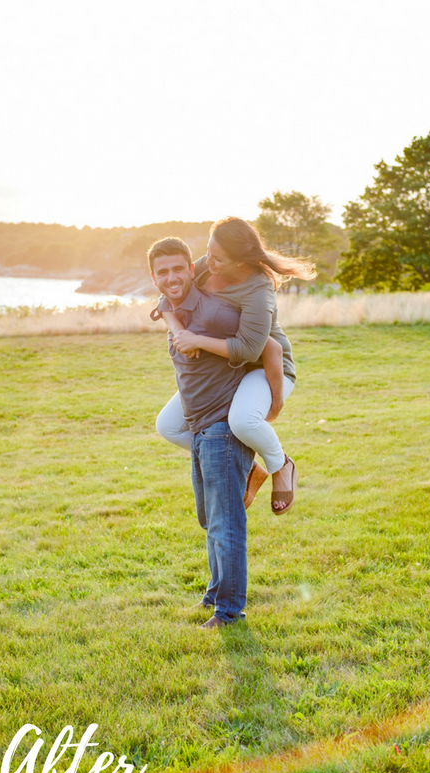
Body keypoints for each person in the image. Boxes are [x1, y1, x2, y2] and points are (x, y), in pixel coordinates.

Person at [153, 217, 315, 515]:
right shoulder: (208, 263)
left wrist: (197, 340)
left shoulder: (257, 290)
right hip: (225, 369)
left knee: (243, 421)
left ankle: (281, 465)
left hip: (260, 368)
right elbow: (169, 295)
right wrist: (178, 331)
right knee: (168, 426)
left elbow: (251, 349)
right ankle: (250, 468)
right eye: (208, 251)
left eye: (217, 257)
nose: (208, 261)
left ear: (240, 262)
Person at [148, 237, 257, 629]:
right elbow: (166, 303)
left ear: (191, 269)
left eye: (179, 268)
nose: (172, 277)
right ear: (154, 278)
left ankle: (228, 612)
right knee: (209, 519)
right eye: (163, 272)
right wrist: (167, 311)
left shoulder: (215, 313)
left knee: (226, 523)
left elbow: (252, 344)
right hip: (198, 428)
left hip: (222, 430)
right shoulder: (173, 307)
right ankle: (215, 592)